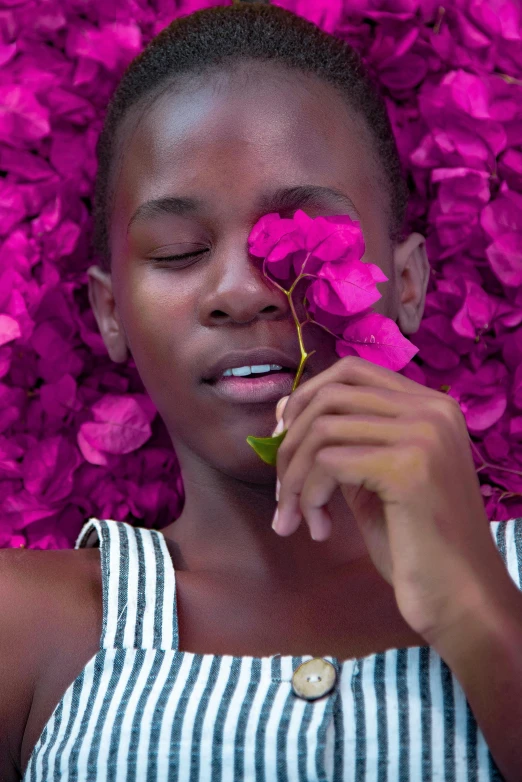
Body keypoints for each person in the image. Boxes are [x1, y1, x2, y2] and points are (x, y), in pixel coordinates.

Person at [2, 3, 522, 780]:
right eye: (180, 252)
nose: (242, 291)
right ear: (112, 313)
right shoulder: (26, 623)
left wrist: (477, 609)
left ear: (407, 284)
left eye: (303, 229)